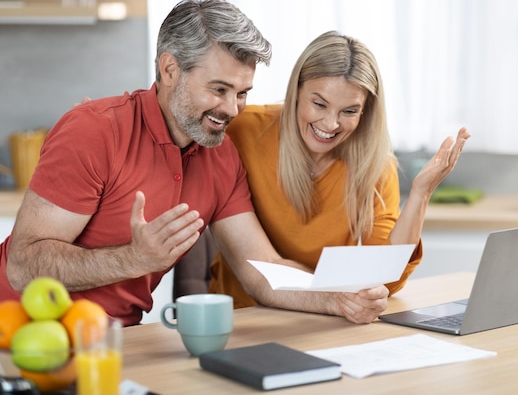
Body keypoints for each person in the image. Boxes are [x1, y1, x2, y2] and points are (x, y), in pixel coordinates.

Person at [0, 0, 272, 326]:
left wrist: (340, 298)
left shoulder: (221, 155)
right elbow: (23, 265)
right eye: (219, 89)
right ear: (170, 69)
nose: (232, 109)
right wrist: (135, 258)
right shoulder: (94, 130)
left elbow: (260, 269)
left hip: (116, 343)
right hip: (18, 338)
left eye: (242, 93)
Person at [173, 31, 471, 312]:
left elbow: (383, 279)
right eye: (319, 104)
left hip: (320, 315)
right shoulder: (243, 130)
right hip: (244, 316)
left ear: (366, 110)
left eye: (349, 111)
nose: (330, 124)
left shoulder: (374, 165)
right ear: (297, 91)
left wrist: (421, 193)